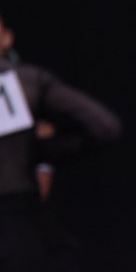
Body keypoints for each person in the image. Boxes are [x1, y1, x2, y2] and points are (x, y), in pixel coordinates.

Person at [0, 14, 122, 272]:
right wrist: (44, 151)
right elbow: (105, 127)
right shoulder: (27, 82)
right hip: (26, 233)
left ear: (9, 37)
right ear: (5, 39)